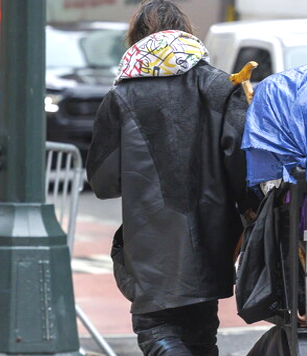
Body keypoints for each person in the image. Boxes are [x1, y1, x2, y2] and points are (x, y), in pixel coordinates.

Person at [86, 0, 258, 354]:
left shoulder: (121, 96)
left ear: (136, 40)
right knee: (201, 334)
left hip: (150, 241)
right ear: (187, 35)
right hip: (214, 238)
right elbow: (245, 166)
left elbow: (103, 183)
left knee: (157, 330)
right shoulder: (221, 86)